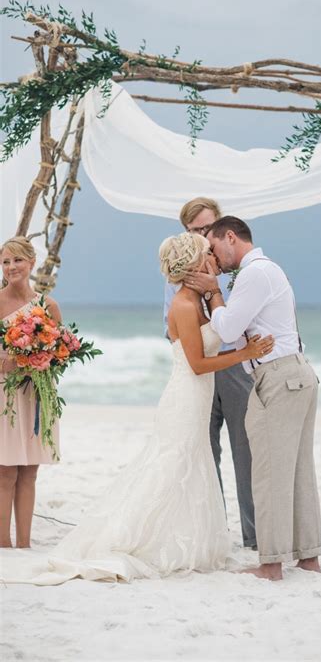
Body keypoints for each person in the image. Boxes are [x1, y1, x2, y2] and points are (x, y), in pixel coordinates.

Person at [0, 232, 273, 584]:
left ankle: (186, 537)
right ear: (193, 262)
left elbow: (218, 334)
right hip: (186, 397)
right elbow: (198, 364)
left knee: (190, 465)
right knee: (170, 466)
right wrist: (246, 354)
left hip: (196, 397)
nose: (214, 258)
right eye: (208, 253)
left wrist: (221, 302)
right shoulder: (185, 306)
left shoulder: (199, 301)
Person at [184, 217, 321, 581]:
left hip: (278, 378)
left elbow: (228, 329)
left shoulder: (254, 273)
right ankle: (308, 559)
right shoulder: (267, 270)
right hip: (295, 374)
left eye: (213, 247)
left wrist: (214, 292)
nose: (213, 255)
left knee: (270, 473)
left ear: (231, 237)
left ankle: (271, 564)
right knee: (297, 472)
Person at [163, 197, 256, 549]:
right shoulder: (177, 276)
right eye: (195, 230)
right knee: (203, 451)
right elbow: (169, 323)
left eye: (207, 228)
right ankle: (214, 531)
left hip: (232, 367)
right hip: (195, 371)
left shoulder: (236, 270)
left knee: (244, 449)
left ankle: (254, 534)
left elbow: (240, 323)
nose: (203, 235)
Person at [0, 236, 61, 549]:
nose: (11, 267)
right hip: (5, 397)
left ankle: (24, 544)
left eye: (17, 261)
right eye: (6, 262)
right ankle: (3, 544)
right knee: (5, 470)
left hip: (35, 395)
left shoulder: (47, 306)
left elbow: (59, 354)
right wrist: (11, 361)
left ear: (31, 262)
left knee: (29, 471)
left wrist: (43, 357)